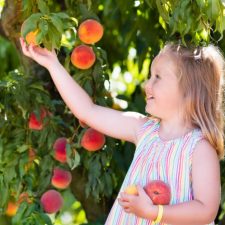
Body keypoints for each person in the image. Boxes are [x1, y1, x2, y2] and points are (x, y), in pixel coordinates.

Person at [20, 38, 224, 225]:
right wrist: (52, 64)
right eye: (149, 76)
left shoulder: (199, 148)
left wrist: (155, 212)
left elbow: (206, 210)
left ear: (189, 91)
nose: (147, 84)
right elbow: (87, 111)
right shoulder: (144, 130)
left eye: (157, 77)